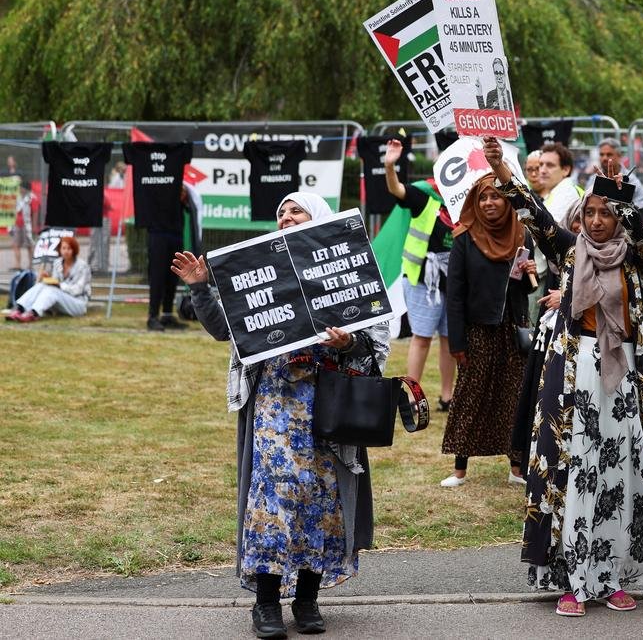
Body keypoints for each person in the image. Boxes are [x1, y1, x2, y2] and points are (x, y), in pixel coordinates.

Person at [171, 191, 388, 639]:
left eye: (296, 210)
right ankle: (266, 603)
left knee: (322, 502)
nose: (286, 217)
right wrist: (200, 287)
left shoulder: (346, 269)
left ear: (319, 218)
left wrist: (347, 342)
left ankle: (307, 600)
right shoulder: (259, 274)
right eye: (281, 213)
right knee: (273, 499)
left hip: (329, 409)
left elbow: (373, 348)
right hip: (275, 405)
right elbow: (224, 329)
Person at [485, 138, 643, 616]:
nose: (595, 221)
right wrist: (504, 171)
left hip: (624, 380)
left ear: (618, 218)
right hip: (575, 376)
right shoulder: (570, 252)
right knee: (576, 472)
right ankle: (572, 580)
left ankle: (610, 576)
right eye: (589, 213)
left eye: (604, 213)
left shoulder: (634, 259)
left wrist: (620, 193)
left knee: (620, 474)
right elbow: (534, 215)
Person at [441, 174, 536, 488]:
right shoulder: (464, 238)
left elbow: (524, 288)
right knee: (471, 395)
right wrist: (457, 341)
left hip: (512, 327)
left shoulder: (521, 234)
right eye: (482, 197)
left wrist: (530, 273)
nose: (488, 203)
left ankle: (517, 467)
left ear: (507, 201)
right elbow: (454, 295)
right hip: (477, 330)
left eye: (495, 196)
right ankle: (459, 469)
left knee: (515, 396)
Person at [510, 198, 582, 475]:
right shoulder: (559, 255)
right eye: (576, 219)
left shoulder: (596, 256)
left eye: (584, 219)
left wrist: (565, 298)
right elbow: (540, 294)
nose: (580, 226)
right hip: (547, 336)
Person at [383, 139, 457, 411]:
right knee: (422, 338)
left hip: (455, 280)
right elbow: (397, 190)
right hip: (422, 280)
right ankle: (413, 396)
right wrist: (389, 166)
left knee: (450, 340)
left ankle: (447, 397)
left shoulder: (467, 200)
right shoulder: (426, 194)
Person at [7, 236, 90, 321]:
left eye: (69, 248)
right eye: (63, 248)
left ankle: (34, 313)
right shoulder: (57, 263)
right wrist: (48, 279)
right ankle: (19, 308)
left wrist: (59, 285)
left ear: (74, 250)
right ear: (60, 250)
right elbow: (55, 283)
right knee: (42, 285)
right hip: (60, 299)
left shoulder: (82, 266)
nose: (66, 251)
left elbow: (77, 290)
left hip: (77, 303)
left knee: (52, 291)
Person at [145, 187, 189, 332]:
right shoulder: (155, 181)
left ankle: (167, 314)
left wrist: (184, 198)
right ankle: (153, 316)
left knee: (173, 274)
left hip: (176, 231)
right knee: (157, 275)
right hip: (158, 231)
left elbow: (188, 206)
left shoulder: (181, 185)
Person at [591, 138, 643, 222]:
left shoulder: (630, 180)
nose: (604, 158)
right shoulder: (593, 179)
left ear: (619, 156)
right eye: (601, 154)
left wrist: (620, 206)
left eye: (609, 154)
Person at [538, 142, 583, 223]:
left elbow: (548, 227)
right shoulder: (557, 191)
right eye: (541, 165)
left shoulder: (566, 192)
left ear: (566, 170)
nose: (542, 170)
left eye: (550, 165)